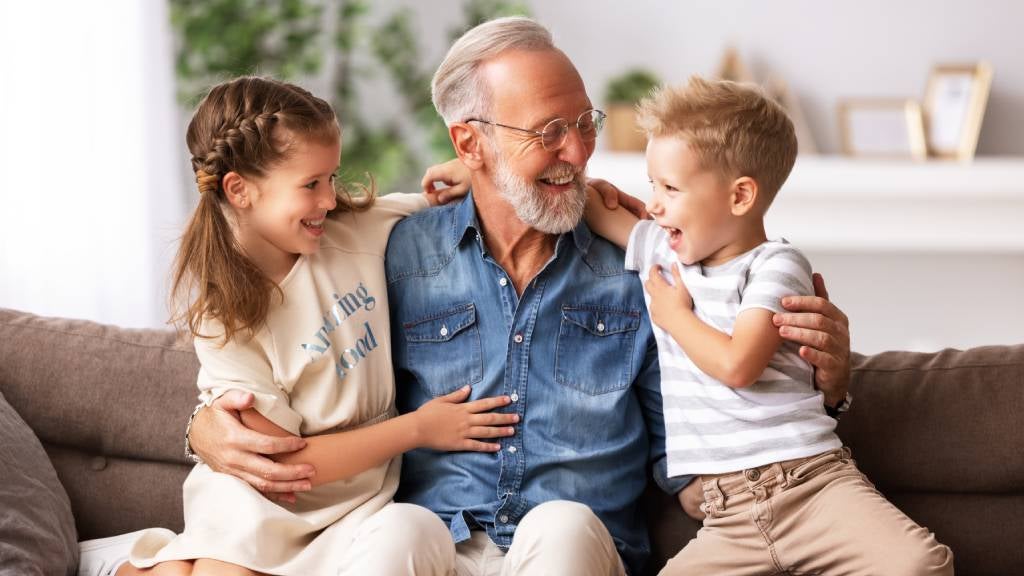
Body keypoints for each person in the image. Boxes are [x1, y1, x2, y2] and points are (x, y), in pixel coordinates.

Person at [186, 18, 853, 576]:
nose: (578, 151)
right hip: (435, 543)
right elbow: (290, 338)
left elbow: (707, 411)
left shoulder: (649, 266)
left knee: (560, 526)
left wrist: (821, 385)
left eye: (583, 124)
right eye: (546, 131)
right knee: (395, 534)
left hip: (577, 548)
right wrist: (205, 424)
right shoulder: (397, 251)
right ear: (469, 143)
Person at [111, 76, 523, 576]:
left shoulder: (358, 233)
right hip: (260, 502)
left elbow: (460, 200)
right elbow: (284, 467)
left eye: (332, 177)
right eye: (311, 184)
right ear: (239, 190)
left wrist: (477, 165)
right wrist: (419, 428)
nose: (330, 198)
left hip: (354, 505)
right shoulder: (227, 317)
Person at [586, 76, 953, 575]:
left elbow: (739, 364)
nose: (653, 204)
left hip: (811, 487)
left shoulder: (776, 264)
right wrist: (471, 171)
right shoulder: (662, 251)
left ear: (740, 196)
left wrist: (674, 316)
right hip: (726, 515)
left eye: (670, 187)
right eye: (652, 184)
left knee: (919, 565)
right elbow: (582, 202)